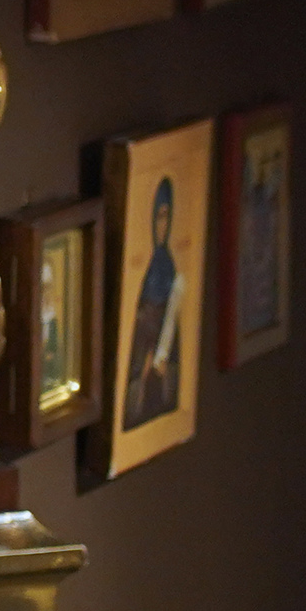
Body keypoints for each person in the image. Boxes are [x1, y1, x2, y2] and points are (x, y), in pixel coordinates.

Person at [124, 176, 186, 426]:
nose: (163, 225)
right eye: (159, 217)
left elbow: (171, 318)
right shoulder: (147, 269)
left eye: (167, 217)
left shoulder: (170, 267)